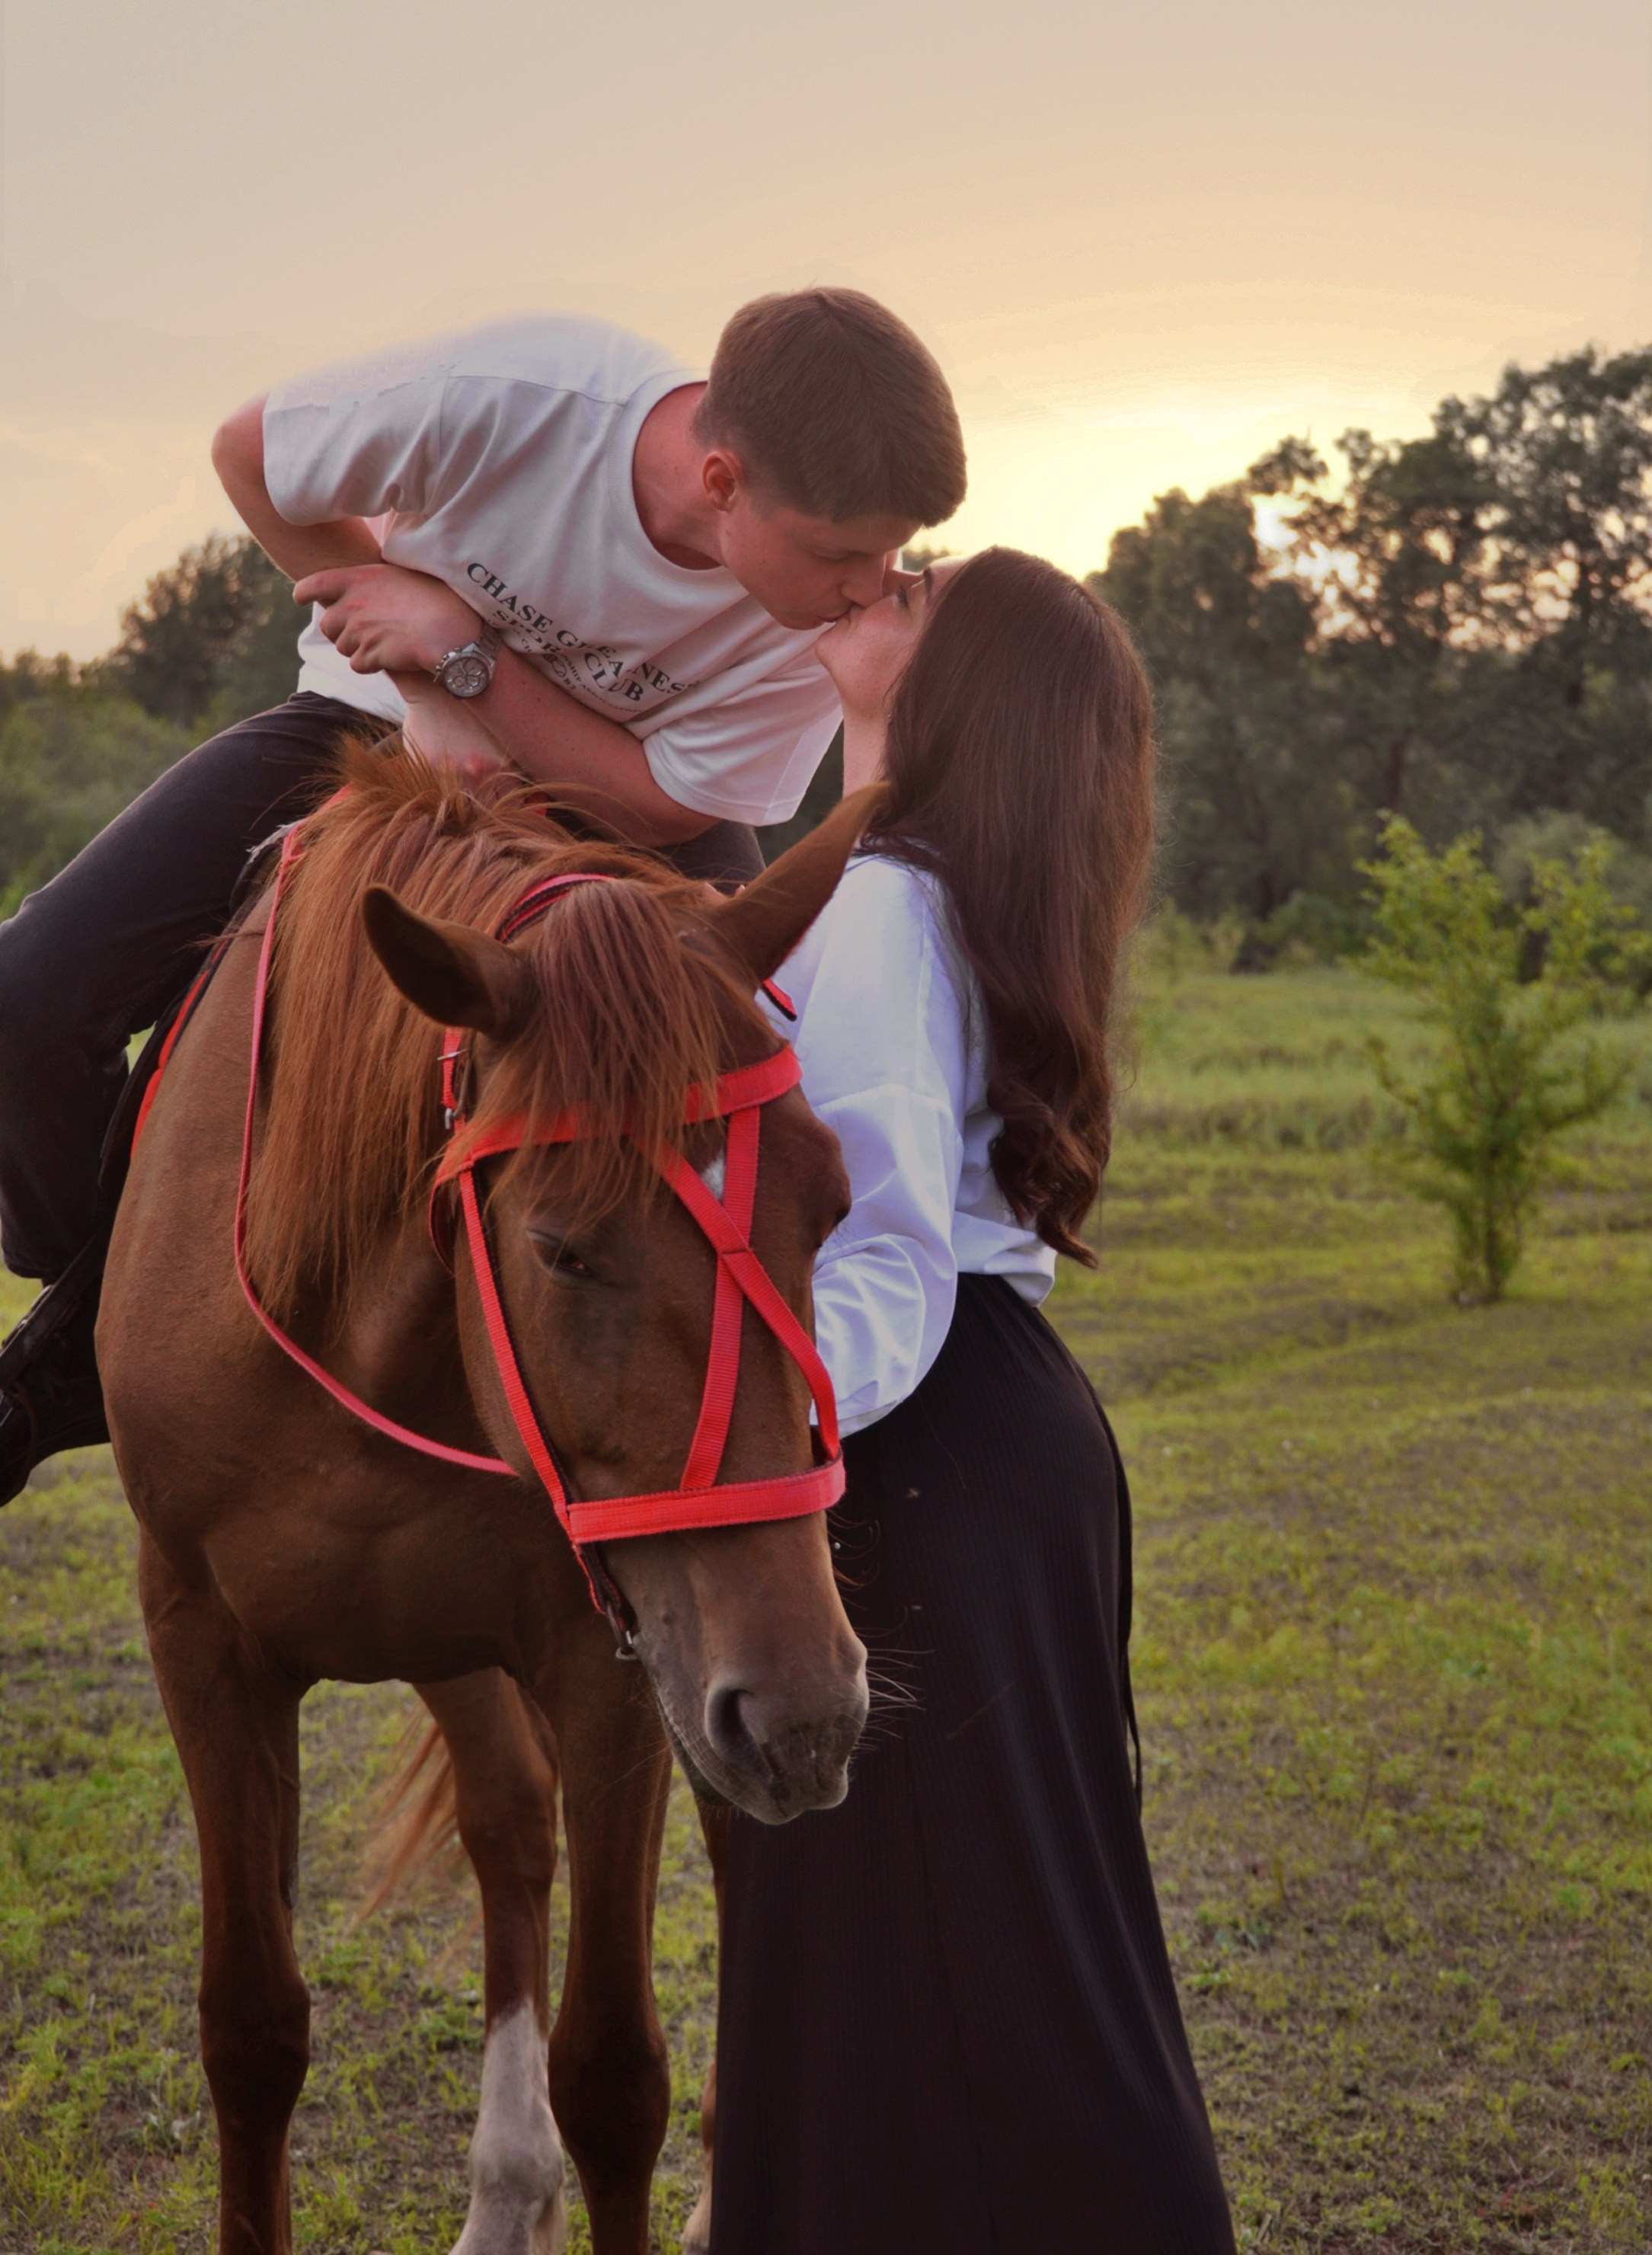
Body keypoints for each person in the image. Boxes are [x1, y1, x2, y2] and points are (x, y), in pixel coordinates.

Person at [0, 289, 966, 1500]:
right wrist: (409, 663)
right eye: (839, 550)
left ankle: (779, 1454)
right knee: (27, 992)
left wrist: (463, 660)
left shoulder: (807, 623)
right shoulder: (526, 397)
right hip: (360, 729)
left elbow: (667, 802)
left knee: (765, 1071)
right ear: (722, 479)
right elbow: (252, 453)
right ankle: (81, 1306)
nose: (867, 586)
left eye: (885, 551)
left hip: (622, 814)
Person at [708, 549, 1236, 2253]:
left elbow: (882, 1255)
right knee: (1020, 1938)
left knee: (934, 1962)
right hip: (1009, 1438)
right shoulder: (933, 885)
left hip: (911, 1441)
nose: (878, 581)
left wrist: (762, 1446)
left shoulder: (886, 899)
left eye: (916, 592)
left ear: (960, 694)